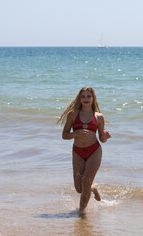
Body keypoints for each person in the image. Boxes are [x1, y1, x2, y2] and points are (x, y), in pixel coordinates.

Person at [58, 86, 112, 214]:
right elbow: (64, 135)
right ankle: (93, 188)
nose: (86, 99)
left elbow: (101, 139)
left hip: (94, 151)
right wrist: (76, 133)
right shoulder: (73, 114)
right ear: (79, 98)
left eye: (89, 96)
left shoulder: (99, 117)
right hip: (78, 152)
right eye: (83, 96)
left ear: (93, 98)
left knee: (85, 183)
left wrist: (105, 137)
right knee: (79, 188)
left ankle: (81, 214)